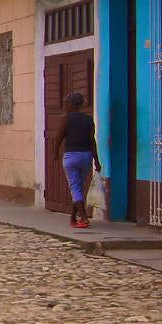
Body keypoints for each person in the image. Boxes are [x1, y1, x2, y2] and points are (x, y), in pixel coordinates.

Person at [52, 91, 101, 228]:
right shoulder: (88, 119)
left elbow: (59, 137)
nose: (64, 106)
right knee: (78, 187)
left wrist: (55, 152)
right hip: (86, 156)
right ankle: (73, 217)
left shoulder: (66, 118)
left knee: (75, 187)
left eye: (65, 103)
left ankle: (84, 218)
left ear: (72, 104)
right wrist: (96, 160)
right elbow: (92, 141)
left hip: (71, 156)